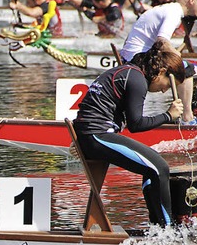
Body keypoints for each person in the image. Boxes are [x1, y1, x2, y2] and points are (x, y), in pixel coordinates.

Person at [73, 39, 186, 228]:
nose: (164, 90)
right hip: (97, 135)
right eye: (167, 84)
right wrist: (168, 115)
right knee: (160, 168)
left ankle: (158, 228)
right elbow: (136, 124)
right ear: (161, 73)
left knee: (152, 169)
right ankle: (168, 231)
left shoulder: (129, 72)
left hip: (92, 135)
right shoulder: (136, 79)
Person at [120, 0, 197, 125]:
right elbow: (162, 41)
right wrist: (176, 58)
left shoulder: (166, 8)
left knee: (180, 65)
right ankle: (188, 118)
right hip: (136, 59)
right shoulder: (174, 12)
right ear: (192, 0)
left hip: (130, 57)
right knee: (186, 68)